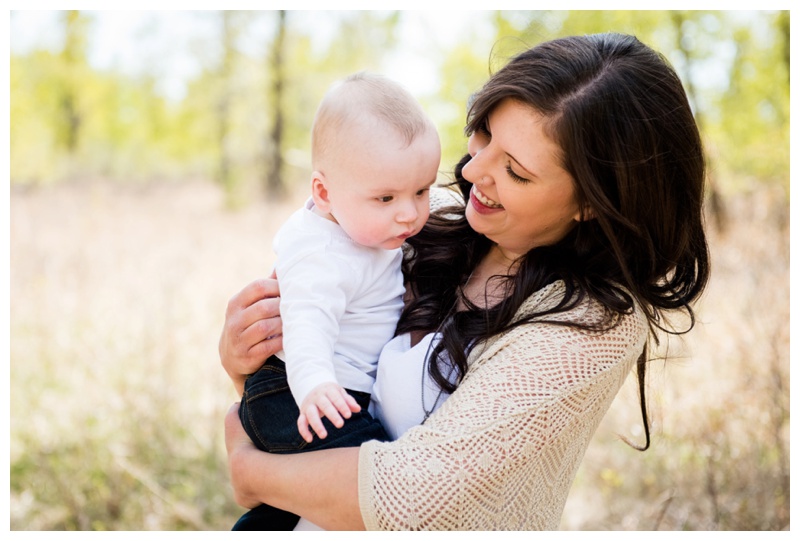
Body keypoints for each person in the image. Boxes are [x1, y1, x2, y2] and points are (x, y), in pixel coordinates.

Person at [220, 33, 710, 530]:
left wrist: (251, 474)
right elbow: (301, 349)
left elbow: (411, 501)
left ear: (591, 201)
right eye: (484, 134)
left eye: (515, 171)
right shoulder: (417, 217)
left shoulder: (592, 324)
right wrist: (244, 357)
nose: (473, 170)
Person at [231, 72, 441, 530]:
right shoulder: (322, 253)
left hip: (320, 390)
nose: (409, 212)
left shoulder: (368, 229)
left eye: (421, 191)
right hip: (297, 392)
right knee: (379, 477)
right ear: (324, 193)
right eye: (386, 197)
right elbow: (306, 323)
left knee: (295, 504)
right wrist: (314, 386)